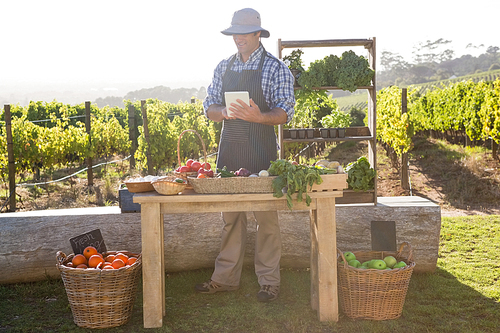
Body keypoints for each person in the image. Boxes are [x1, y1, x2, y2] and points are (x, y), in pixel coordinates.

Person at [196, 8, 295, 302]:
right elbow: (208, 108)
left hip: (263, 154)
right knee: (231, 219)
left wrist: (258, 116)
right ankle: (225, 279)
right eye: (234, 33)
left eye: (243, 33)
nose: (237, 38)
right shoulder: (223, 67)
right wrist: (224, 112)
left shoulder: (276, 68)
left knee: (267, 220)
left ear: (257, 34)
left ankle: (269, 281)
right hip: (230, 154)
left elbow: (285, 112)